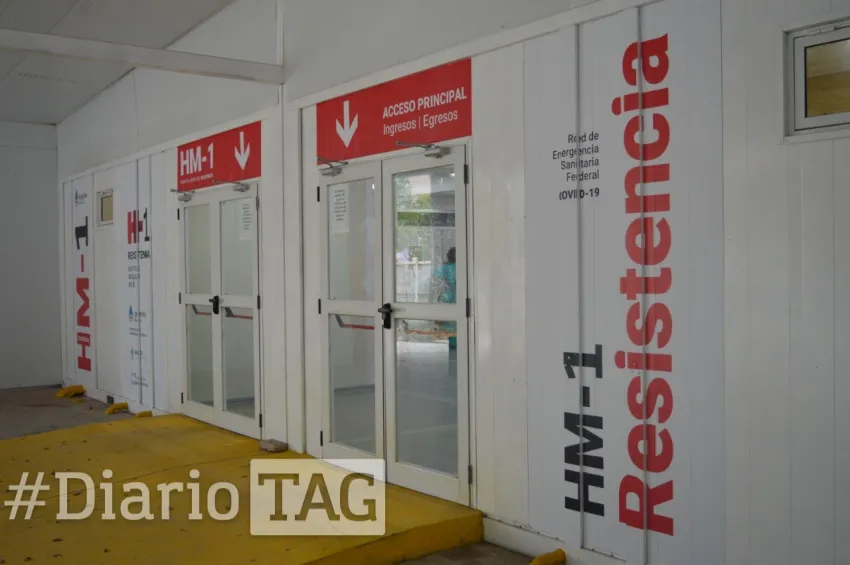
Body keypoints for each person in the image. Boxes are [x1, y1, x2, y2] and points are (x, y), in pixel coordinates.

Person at [434, 247, 457, 349]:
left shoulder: (444, 268)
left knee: (451, 330)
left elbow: (436, 279)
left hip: (447, 298)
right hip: (458, 299)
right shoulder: (461, 267)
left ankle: (453, 347)